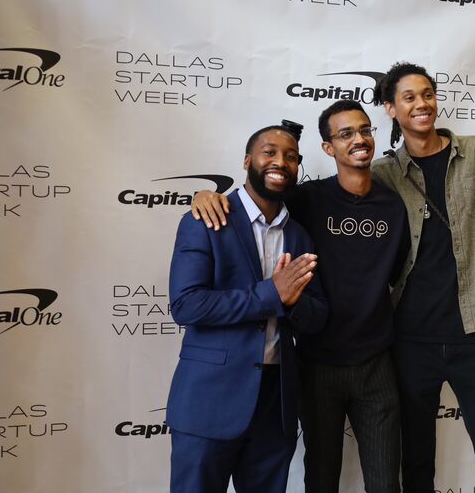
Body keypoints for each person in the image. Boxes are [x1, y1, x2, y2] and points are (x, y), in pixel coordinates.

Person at [191, 100, 409, 493]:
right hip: (317, 364)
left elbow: (400, 275)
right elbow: (258, 194)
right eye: (345, 134)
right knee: (320, 478)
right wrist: (206, 195)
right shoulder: (305, 199)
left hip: (377, 363)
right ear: (328, 148)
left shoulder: (394, 204)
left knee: (385, 483)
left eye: (364, 130)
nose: (359, 140)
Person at [370, 61, 475, 493]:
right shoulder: (384, 175)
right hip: (410, 340)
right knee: (416, 462)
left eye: (427, 94)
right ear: (391, 109)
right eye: (409, 97)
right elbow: (328, 202)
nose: (422, 104)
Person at [166, 123, 328, 493]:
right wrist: (271, 294)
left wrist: (294, 299)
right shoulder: (207, 219)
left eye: (290, 157)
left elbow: (316, 316)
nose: (280, 162)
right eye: (269, 152)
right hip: (209, 401)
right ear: (247, 160)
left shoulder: (300, 234)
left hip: (275, 406)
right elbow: (187, 305)